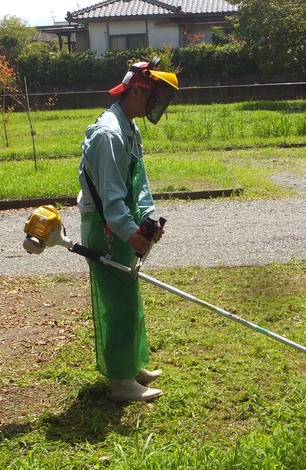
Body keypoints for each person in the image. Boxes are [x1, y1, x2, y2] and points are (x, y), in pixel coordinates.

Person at [76, 58, 178, 402]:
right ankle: (121, 383)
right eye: (153, 97)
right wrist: (129, 231)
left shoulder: (129, 128)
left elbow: (139, 184)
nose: (156, 104)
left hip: (123, 222)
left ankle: (131, 365)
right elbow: (110, 196)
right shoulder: (109, 133)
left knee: (129, 297)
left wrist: (148, 219)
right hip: (106, 228)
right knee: (117, 304)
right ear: (136, 92)